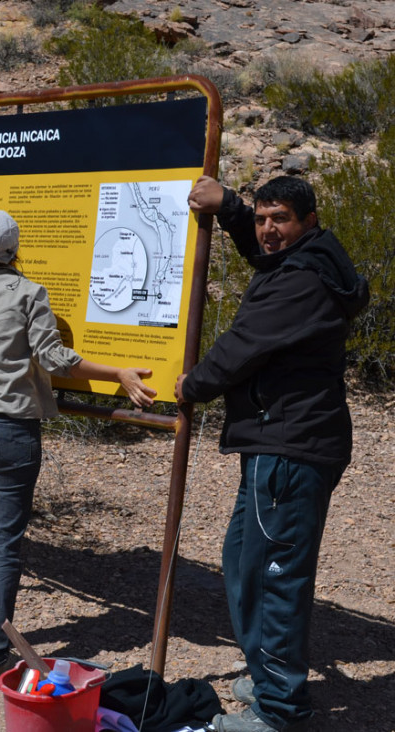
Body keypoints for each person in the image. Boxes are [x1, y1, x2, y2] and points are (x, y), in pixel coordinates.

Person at [0, 208, 157, 677]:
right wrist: (117, 373)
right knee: (3, 543)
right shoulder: (29, 295)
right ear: (13, 251)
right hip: (9, 429)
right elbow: (55, 359)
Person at [177, 175, 369, 732]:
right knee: (243, 560)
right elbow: (266, 254)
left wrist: (190, 386)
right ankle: (268, 671)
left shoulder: (302, 283)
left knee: (274, 574)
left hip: (290, 444)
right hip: (283, 439)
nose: (267, 230)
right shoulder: (313, 261)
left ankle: (278, 708)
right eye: (261, 218)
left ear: (308, 222)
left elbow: (244, 345)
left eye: (279, 218)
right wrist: (233, 210)